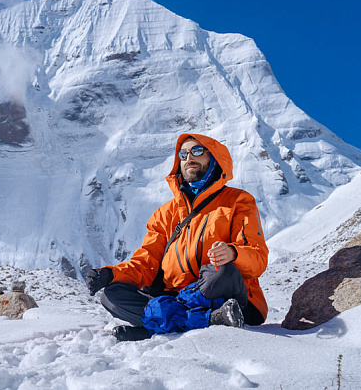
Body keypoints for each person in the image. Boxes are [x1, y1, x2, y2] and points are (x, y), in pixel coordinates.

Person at [85, 133, 269, 341]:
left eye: (197, 151)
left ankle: (156, 325)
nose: (189, 158)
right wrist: (111, 275)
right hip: (173, 295)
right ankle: (211, 319)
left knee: (221, 272)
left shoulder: (238, 201)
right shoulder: (165, 213)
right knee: (111, 297)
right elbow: (146, 262)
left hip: (220, 291)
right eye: (183, 154)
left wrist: (233, 253)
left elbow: (258, 259)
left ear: (214, 157)